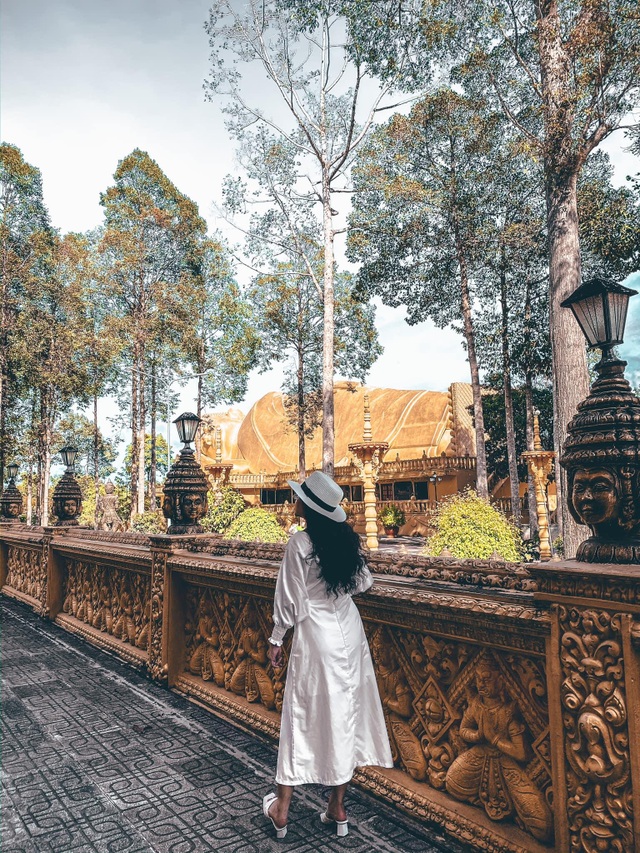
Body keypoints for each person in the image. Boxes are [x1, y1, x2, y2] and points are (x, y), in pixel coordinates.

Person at [262, 471, 393, 841]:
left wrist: (276, 639)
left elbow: (288, 599)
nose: (295, 500)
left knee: (299, 716)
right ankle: (337, 807)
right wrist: (334, 591)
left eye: (300, 496)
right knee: (346, 715)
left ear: (310, 507)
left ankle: (282, 809)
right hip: (349, 634)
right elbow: (364, 582)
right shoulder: (343, 542)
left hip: (316, 636)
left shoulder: (300, 543)